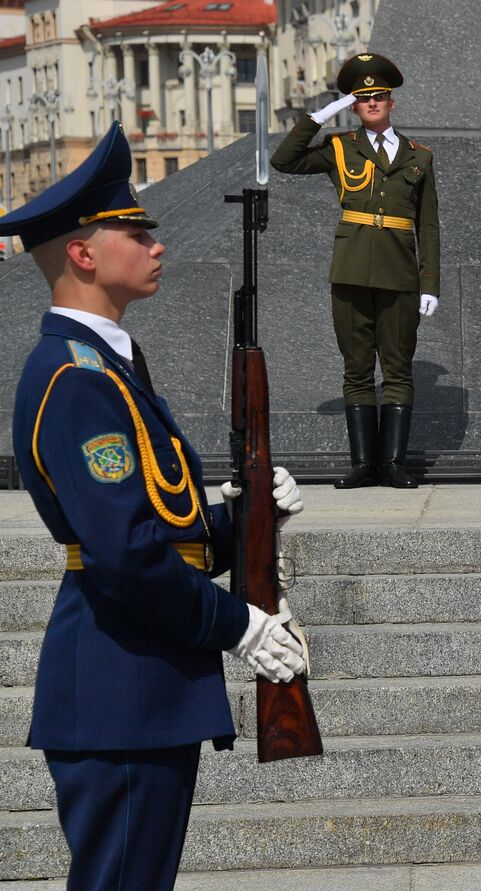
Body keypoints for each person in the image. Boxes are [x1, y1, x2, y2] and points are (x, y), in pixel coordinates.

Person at [5, 122, 309, 890]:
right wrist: (236, 623)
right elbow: (127, 553)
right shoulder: (76, 380)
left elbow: (162, 526)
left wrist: (245, 518)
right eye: (136, 230)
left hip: (143, 686)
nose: (156, 243)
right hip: (123, 687)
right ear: (83, 252)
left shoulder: (109, 366)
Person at [270, 52, 440, 489]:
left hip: (400, 275)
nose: (372, 104)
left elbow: (429, 225)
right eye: (362, 99)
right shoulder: (340, 147)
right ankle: (364, 464)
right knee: (357, 368)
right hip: (349, 273)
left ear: (391, 101)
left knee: (398, 369)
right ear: (354, 105)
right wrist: (319, 117)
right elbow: (284, 161)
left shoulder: (419, 156)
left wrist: (430, 283)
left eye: (378, 96)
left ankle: (393, 463)